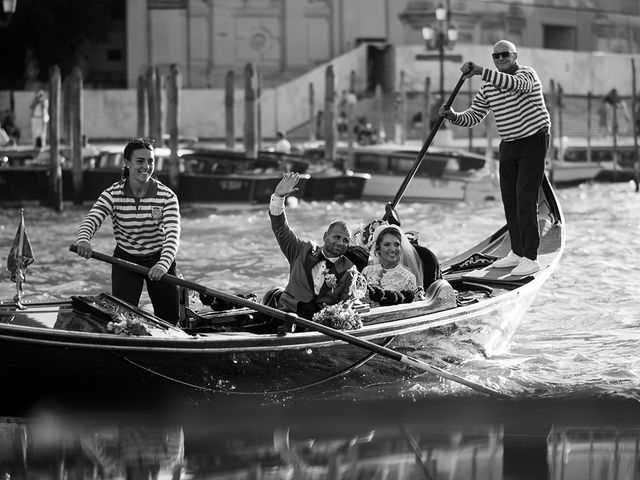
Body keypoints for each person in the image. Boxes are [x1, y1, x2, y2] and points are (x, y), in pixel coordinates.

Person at [439, 40, 550, 276]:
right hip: (509, 143)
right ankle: (517, 252)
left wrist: (480, 71)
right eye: (496, 56)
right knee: (510, 199)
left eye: (505, 55)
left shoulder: (527, 74)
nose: (500, 59)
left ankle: (531, 257)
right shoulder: (489, 86)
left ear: (515, 55)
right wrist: (452, 116)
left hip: (533, 140)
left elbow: (517, 85)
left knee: (525, 197)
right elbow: (474, 115)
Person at [74, 138, 181, 325]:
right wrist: (84, 240)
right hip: (126, 260)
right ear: (127, 163)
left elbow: (173, 235)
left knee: (169, 320)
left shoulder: (167, 196)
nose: (146, 167)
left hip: (160, 259)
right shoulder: (113, 194)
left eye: (150, 161)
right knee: (123, 319)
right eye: (140, 161)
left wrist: (163, 264)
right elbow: (92, 220)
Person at [269, 171, 358, 322]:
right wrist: (278, 197)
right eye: (337, 237)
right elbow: (280, 229)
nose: (341, 243)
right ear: (325, 237)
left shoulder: (349, 271)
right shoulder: (302, 250)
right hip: (287, 314)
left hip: (317, 323)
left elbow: (347, 304)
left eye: (346, 240)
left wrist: (333, 313)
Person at [362, 225, 419, 305]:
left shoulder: (408, 278)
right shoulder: (367, 271)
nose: (392, 249)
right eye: (387, 244)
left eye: (396, 245)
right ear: (378, 248)